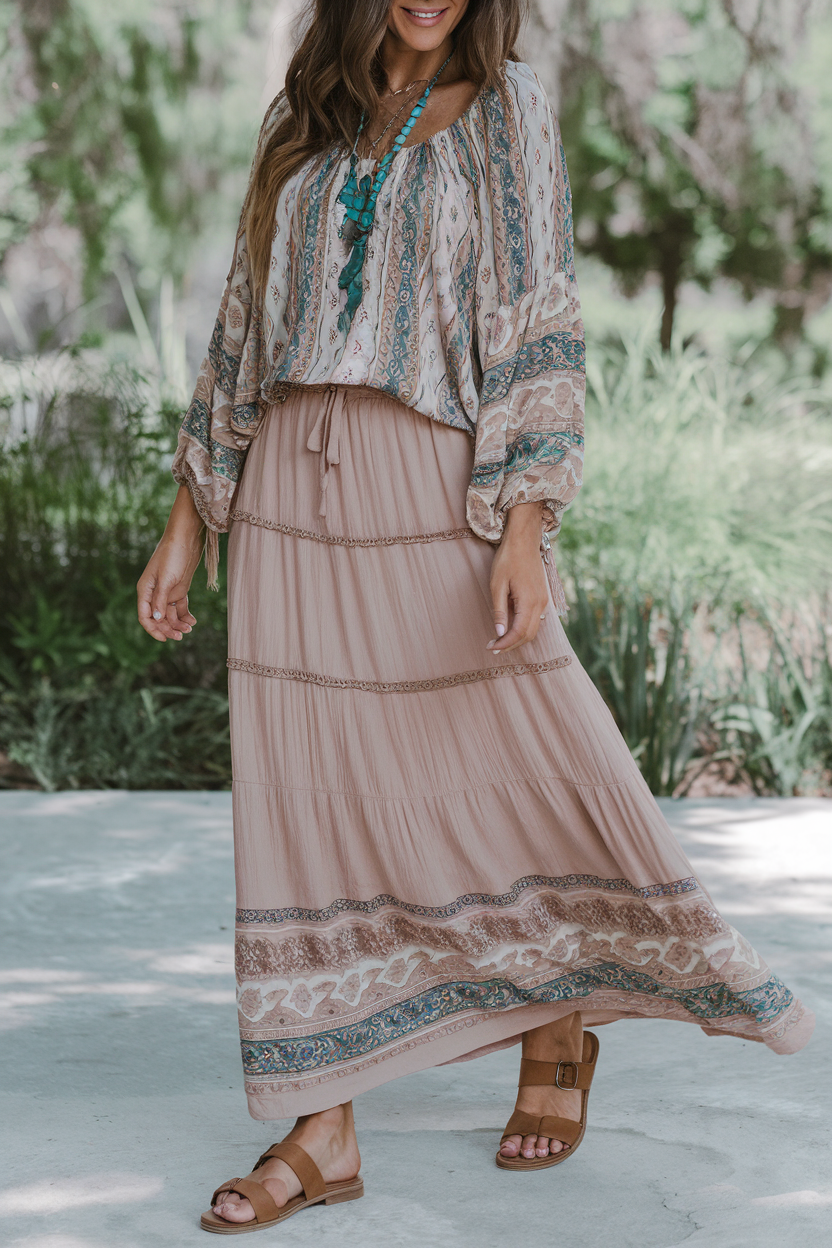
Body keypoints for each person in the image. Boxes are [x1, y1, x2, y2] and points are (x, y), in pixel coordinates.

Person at [137, 0, 814, 1234]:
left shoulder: (509, 109)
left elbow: (536, 312)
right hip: (289, 486)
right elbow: (243, 317)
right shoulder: (304, 113)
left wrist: (522, 525)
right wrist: (193, 513)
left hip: (429, 481)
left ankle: (557, 1009)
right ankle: (322, 1122)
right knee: (306, 794)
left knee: (512, 750)